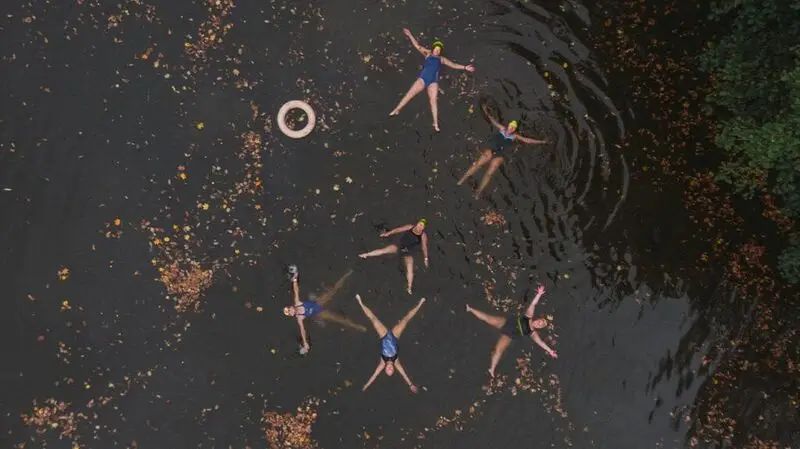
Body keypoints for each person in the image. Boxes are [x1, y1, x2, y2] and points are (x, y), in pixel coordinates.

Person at [389, 28, 476, 132]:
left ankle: (435, 123)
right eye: (436, 49)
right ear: (433, 48)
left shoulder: (442, 59)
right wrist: (410, 35)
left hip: (433, 82)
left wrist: (465, 67)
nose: (437, 51)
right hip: (423, 79)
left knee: (433, 101)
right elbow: (417, 46)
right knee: (410, 94)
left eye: (439, 50)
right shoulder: (427, 54)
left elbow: (453, 64)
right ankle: (397, 109)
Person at [457, 104, 548, 198]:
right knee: (477, 164)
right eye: (511, 126)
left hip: (501, 154)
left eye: (514, 128)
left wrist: (541, 141)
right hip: (492, 149)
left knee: (489, 173)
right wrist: (485, 111)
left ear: (514, 130)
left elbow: (527, 140)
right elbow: (492, 120)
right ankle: (463, 179)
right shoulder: (502, 128)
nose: (511, 128)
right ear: (508, 125)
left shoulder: (515, 136)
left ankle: (478, 192)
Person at [465, 284, 557, 377]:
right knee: (487, 318)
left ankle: (491, 369)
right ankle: (470, 309)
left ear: (540, 328)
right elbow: (533, 304)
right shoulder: (529, 315)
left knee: (498, 351)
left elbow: (541, 343)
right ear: (538, 319)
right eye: (541, 321)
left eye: (542, 325)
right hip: (506, 323)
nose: (540, 323)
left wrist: (550, 351)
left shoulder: (533, 333)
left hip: (509, 335)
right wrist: (539, 294)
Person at [283, 266, 366, 354]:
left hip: (318, 303)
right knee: (338, 319)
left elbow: (296, 290)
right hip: (319, 313)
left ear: (291, 306)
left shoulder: (297, 303)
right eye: (290, 313)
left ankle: (347, 275)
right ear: (291, 315)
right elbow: (302, 331)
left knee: (333, 290)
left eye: (289, 309)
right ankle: (356, 326)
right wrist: (305, 343)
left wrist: (295, 278)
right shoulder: (299, 318)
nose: (291, 311)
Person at [356, 294, 425, 393]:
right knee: (405, 320)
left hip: (383, 335)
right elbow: (404, 374)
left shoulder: (382, 363)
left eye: (388, 370)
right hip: (395, 336)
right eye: (391, 370)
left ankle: (360, 302)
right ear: (393, 369)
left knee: (374, 319)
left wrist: (366, 386)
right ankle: (420, 304)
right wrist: (410, 384)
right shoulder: (396, 362)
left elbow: (374, 375)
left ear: (385, 369)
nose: (390, 369)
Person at [358, 219, 429, 295]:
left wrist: (425, 258)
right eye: (419, 224)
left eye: (421, 225)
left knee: (410, 268)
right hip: (399, 246)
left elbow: (424, 247)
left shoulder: (423, 236)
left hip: (408, 251)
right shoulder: (410, 227)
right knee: (384, 250)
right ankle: (366, 254)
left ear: (423, 228)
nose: (418, 226)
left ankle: (409, 287)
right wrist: (388, 233)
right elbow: (398, 230)